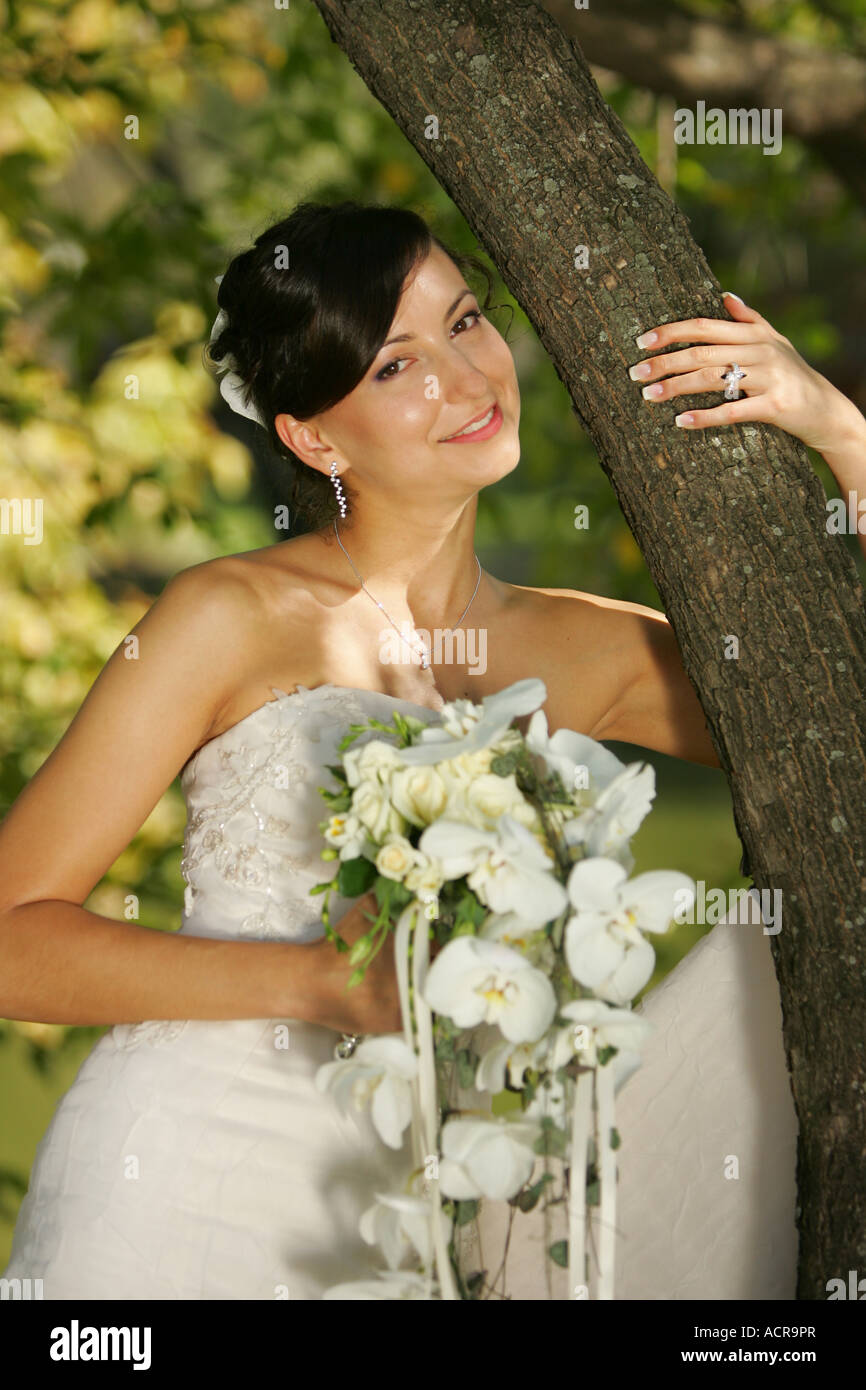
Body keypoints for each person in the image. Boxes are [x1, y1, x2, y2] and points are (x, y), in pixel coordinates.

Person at [1, 201, 863, 1300]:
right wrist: (324, 981)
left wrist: (842, 436)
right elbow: (11, 937)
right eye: (395, 366)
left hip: (469, 1204)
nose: (464, 379)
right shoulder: (226, 614)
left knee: (787, 939)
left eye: (464, 322)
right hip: (194, 1178)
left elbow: (844, 734)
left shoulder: (586, 647)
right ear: (313, 437)